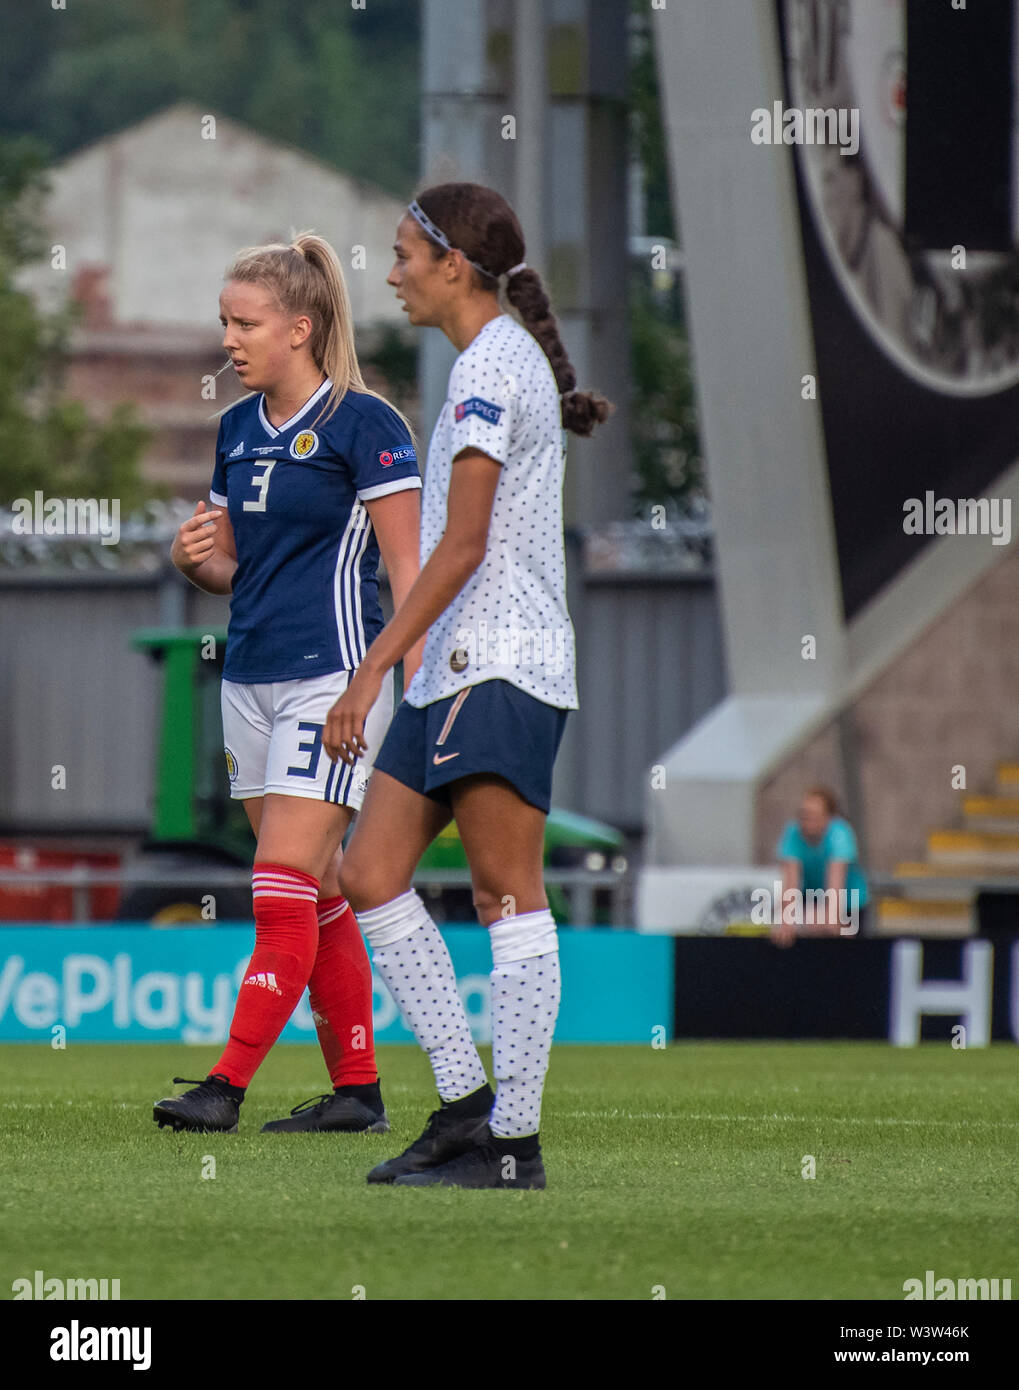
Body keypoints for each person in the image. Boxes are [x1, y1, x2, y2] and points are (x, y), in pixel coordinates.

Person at [323, 182, 613, 1189]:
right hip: (454, 665)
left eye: (403, 252)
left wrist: (368, 666)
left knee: (505, 893)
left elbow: (463, 545)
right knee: (367, 874)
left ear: (452, 264)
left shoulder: (493, 367)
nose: (392, 271)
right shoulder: (481, 367)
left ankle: (512, 1144)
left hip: (501, 660)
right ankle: (461, 1107)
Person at [153, 233, 424, 1134]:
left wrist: (390, 685)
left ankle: (224, 1087)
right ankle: (358, 1093)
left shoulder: (366, 424)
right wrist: (200, 566)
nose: (228, 340)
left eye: (245, 323)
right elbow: (239, 570)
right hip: (250, 676)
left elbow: (408, 571)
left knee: (277, 886)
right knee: (317, 889)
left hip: (333, 679)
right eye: (223, 322)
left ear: (299, 328)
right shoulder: (234, 430)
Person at [770, 785, 868, 947]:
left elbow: (835, 883)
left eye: (813, 816)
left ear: (828, 818)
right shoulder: (793, 833)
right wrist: (786, 922)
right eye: (803, 815)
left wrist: (833, 918)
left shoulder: (840, 834)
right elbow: (791, 882)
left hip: (850, 904)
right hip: (812, 900)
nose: (806, 821)